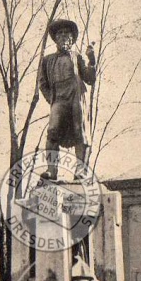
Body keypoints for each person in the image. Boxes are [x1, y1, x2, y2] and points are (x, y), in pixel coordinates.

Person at [39, 19, 96, 180]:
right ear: (56, 38)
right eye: (60, 33)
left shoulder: (77, 57)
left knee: (80, 132)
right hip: (58, 98)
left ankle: (81, 170)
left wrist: (92, 60)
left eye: (67, 34)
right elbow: (42, 83)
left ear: (71, 39)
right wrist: (52, 99)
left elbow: (89, 78)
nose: (63, 36)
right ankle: (51, 170)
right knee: (52, 132)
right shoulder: (47, 60)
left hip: (75, 96)